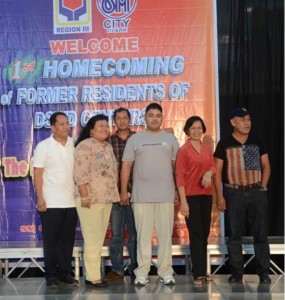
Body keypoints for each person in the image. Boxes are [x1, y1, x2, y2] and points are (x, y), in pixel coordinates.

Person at [120, 102, 180, 286]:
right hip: (141, 196)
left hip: (166, 195)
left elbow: (177, 167)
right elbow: (126, 167)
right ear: (144, 118)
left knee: (164, 236)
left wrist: (178, 189)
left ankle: (165, 271)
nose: (154, 118)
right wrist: (123, 191)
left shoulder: (170, 139)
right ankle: (142, 272)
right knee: (142, 237)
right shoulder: (135, 139)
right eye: (151, 115)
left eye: (158, 115)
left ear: (162, 118)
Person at [213, 107, 271, 284]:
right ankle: (237, 272)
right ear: (233, 122)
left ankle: (263, 273)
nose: (247, 123)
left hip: (256, 192)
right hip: (234, 193)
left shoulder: (257, 140)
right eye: (242, 120)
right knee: (234, 235)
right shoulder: (224, 143)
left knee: (260, 234)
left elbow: (266, 166)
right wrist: (220, 196)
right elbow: (217, 171)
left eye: (249, 119)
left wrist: (262, 187)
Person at [74, 114, 120, 287]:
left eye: (106, 126)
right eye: (100, 126)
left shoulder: (107, 146)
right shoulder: (85, 146)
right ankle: (92, 277)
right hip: (90, 199)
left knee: (99, 238)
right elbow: (80, 173)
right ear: (91, 130)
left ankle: (93, 274)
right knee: (92, 238)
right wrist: (85, 195)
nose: (104, 129)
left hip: (106, 198)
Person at [33, 112, 78, 288]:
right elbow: (37, 173)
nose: (66, 126)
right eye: (61, 124)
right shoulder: (43, 146)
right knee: (51, 241)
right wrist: (40, 198)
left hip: (71, 201)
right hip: (51, 202)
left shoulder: (75, 144)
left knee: (67, 241)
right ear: (53, 127)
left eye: (67, 123)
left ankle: (65, 273)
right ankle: (51, 275)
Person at [175, 116, 216, 285]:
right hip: (190, 197)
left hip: (206, 195)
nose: (197, 131)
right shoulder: (184, 150)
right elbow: (180, 176)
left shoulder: (206, 149)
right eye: (193, 128)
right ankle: (198, 273)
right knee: (196, 233)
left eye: (199, 128)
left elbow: (213, 166)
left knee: (204, 233)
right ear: (187, 131)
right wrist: (183, 202)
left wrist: (209, 173)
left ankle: (202, 270)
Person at [103, 108, 138, 282]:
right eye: (119, 118)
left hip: (137, 194)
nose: (122, 120)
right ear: (114, 121)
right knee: (116, 234)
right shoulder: (108, 142)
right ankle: (117, 270)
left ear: (130, 120)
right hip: (114, 195)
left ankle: (136, 268)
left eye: (125, 117)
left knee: (134, 234)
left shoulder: (138, 139)